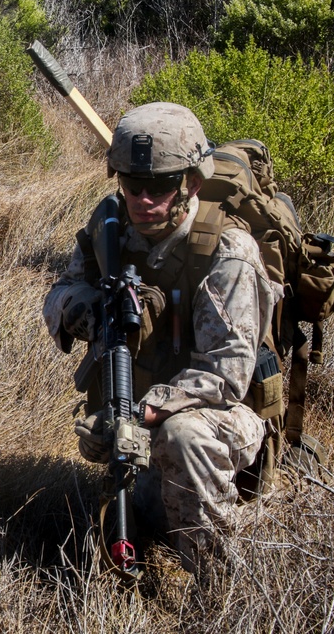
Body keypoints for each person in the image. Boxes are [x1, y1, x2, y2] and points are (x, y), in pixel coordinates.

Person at [42, 102, 282, 573]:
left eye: (159, 187)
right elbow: (58, 293)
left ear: (192, 183)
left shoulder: (226, 252)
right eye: (133, 185)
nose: (143, 200)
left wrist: (137, 416)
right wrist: (84, 309)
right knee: (145, 515)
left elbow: (225, 376)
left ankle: (220, 585)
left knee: (182, 437)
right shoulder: (111, 230)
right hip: (144, 413)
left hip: (221, 419)